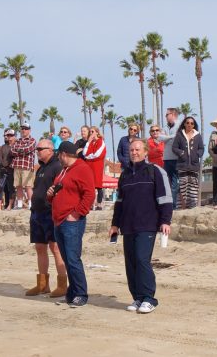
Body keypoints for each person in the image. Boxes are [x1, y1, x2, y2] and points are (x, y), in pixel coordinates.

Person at [109, 139, 174, 314]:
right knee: (130, 263)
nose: (134, 152)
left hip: (148, 225)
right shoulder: (125, 175)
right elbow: (120, 203)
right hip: (128, 226)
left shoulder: (155, 171)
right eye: (131, 150)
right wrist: (115, 224)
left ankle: (149, 298)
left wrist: (165, 221)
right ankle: (137, 297)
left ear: (145, 152)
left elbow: (165, 199)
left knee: (141, 259)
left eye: (137, 149)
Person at [47, 141, 96, 307]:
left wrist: (76, 213)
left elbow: (89, 194)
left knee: (73, 259)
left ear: (63, 154)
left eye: (59, 155)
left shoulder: (82, 169)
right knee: (67, 259)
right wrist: (50, 194)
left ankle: (81, 293)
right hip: (59, 220)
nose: (58, 158)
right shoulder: (64, 171)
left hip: (71, 221)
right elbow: (59, 193)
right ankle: (72, 292)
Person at [25, 139, 68, 298]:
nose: (37, 151)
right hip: (37, 212)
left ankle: (62, 285)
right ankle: (42, 285)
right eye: (36, 149)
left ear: (50, 149)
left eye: (40, 149)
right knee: (40, 247)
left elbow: (60, 189)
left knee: (55, 248)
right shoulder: (41, 168)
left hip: (50, 213)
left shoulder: (57, 166)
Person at [172, 115, 205, 209]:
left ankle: (192, 207)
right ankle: (182, 206)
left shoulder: (198, 136)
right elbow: (174, 148)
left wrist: (197, 155)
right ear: (184, 124)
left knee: (193, 186)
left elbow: (201, 148)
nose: (189, 124)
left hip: (194, 165)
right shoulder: (179, 135)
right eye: (187, 123)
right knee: (183, 186)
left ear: (194, 125)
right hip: (182, 165)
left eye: (192, 123)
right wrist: (181, 153)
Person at [11, 124, 37, 209]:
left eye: (26, 129)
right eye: (22, 129)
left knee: (28, 186)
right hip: (17, 165)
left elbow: (27, 149)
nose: (24, 130)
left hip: (27, 166)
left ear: (29, 130)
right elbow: (12, 151)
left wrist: (19, 150)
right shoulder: (17, 141)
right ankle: (19, 204)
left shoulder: (32, 140)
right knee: (18, 186)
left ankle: (31, 204)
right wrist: (21, 150)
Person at [82, 125, 107, 210]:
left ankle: (99, 204)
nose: (91, 133)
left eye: (92, 131)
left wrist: (88, 157)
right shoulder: (89, 143)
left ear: (97, 132)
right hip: (89, 166)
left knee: (98, 185)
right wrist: (88, 142)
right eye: (90, 132)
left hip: (97, 166)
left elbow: (98, 154)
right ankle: (90, 204)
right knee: (89, 185)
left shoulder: (101, 141)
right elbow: (84, 153)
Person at [159, 108, 181, 204]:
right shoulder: (165, 127)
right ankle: (170, 204)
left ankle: (174, 205)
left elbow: (178, 138)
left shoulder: (180, 125)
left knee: (174, 183)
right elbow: (160, 138)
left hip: (176, 158)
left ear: (173, 114)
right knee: (167, 183)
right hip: (167, 158)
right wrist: (171, 137)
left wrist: (166, 137)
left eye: (167, 114)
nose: (166, 116)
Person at [0, 130, 16, 210]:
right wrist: (3, 165)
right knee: (0, 187)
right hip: (3, 170)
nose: (7, 137)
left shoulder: (15, 146)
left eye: (10, 135)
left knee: (11, 188)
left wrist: (8, 166)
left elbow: (15, 157)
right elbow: (1, 158)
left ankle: (10, 205)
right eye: (6, 135)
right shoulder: (3, 146)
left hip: (11, 170)